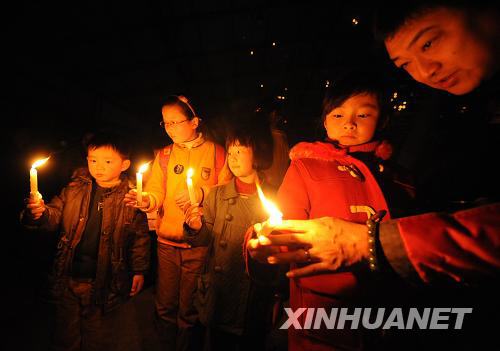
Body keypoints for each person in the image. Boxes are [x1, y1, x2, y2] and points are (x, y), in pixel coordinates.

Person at [252, 72, 414, 350]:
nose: (349, 123)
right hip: (323, 315)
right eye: (338, 115)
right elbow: (282, 225)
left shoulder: (399, 177)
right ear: (325, 121)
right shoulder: (307, 167)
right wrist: (263, 244)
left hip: (392, 313)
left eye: (363, 115)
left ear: (383, 119)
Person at [21, 131, 150, 351]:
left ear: (124, 164)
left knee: (98, 335)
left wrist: (139, 269)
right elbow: (54, 215)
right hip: (69, 274)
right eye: (93, 160)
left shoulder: (131, 197)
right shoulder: (75, 188)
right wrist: (39, 213)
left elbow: (139, 236)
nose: (98, 166)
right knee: (65, 333)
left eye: (108, 161)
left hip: (105, 278)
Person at [124, 95, 227, 350]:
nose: (169, 128)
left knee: (190, 308)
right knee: (165, 305)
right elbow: (157, 192)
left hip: (199, 245)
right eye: (165, 123)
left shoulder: (216, 153)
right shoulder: (164, 155)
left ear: (194, 122)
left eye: (175, 122)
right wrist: (148, 200)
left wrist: (203, 193)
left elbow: (226, 192)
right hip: (167, 242)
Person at [183, 115, 279, 350]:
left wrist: (278, 294)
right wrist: (194, 228)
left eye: (240, 150)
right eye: (231, 151)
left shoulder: (275, 198)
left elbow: (281, 252)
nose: (232, 158)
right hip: (220, 293)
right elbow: (206, 240)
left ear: (259, 152)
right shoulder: (217, 195)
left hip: (253, 297)